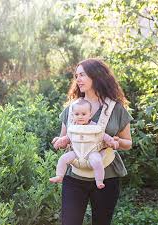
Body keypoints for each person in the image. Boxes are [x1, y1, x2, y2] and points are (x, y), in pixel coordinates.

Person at [52, 58, 133, 225]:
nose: (78, 79)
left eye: (82, 75)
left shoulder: (116, 109)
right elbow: (64, 140)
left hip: (107, 176)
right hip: (75, 176)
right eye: (76, 76)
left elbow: (128, 143)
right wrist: (59, 143)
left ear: (96, 76)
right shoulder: (72, 109)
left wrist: (116, 141)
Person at [49, 98, 119, 189]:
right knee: (63, 158)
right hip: (76, 153)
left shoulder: (95, 127)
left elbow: (103, 136)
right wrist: (61, 141)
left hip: (92, 152)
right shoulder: (73, 128)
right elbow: (67, 138)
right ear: (72, 116)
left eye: (83, 114)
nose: (80, 116)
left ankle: (99, 181)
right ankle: (59, 176)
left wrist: (111, 141)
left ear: (90, 115)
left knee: (97, 162)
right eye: (77, 114)